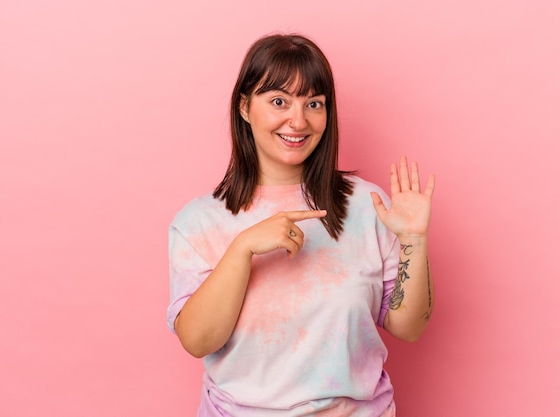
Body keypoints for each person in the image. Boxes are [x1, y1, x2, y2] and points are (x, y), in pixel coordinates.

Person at [167, 33, 435, 417]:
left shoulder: (366, 205)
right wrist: (242, 249)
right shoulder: (198, 222)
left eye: (314, 104)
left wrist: (413, 240)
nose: (299, 120)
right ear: (245, 107)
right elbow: (197, 340)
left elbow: (409, 327)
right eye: (279, 101)